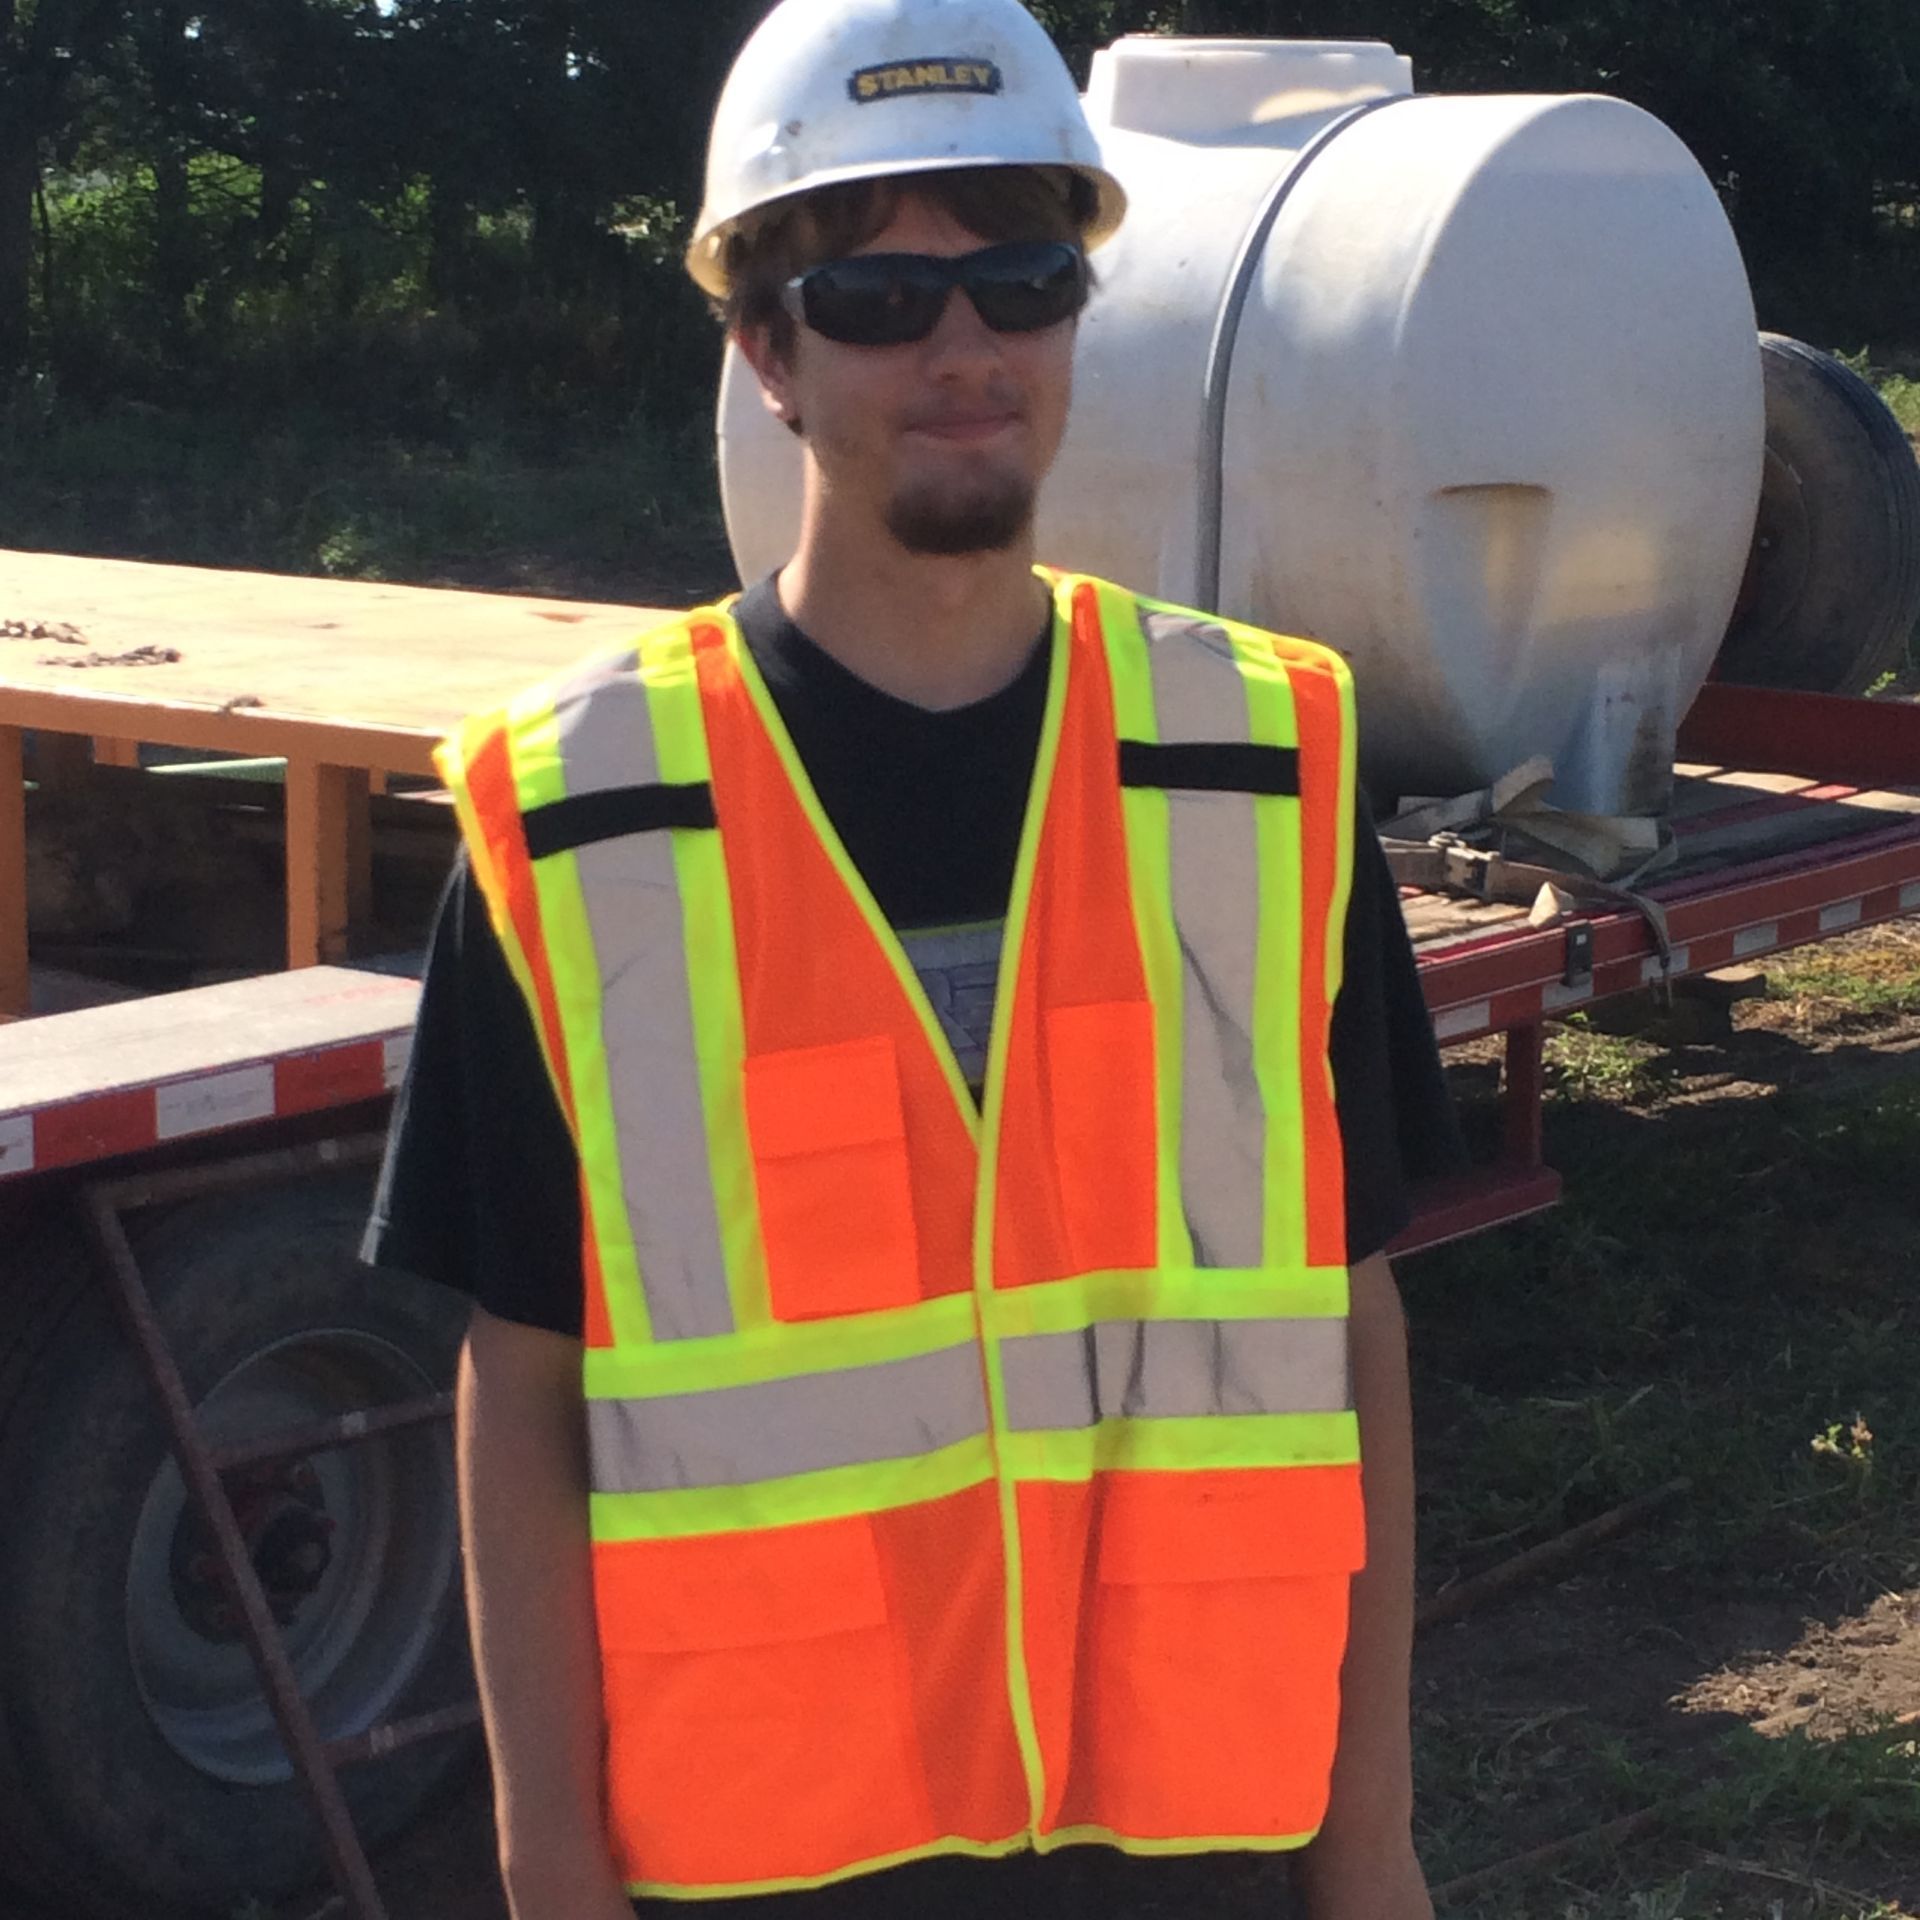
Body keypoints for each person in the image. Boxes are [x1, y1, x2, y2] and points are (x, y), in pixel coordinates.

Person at [365, 1, 1464, 1916]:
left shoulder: (1263, 774)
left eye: (1021, 282)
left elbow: (1352, 1337)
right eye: (875, 298)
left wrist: (1371, 1850)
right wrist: (549, 1871)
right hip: (772, 1862)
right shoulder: (582, 820)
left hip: (1199, 1843)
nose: (962, 352)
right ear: (764, 353)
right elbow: (519, 1389)